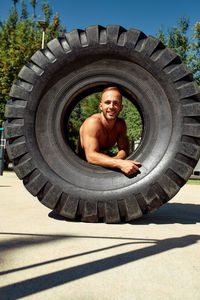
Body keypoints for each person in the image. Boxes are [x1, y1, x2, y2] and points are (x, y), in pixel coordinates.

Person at [78, 87, 140, 175]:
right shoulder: (92, 123)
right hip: (81, 168)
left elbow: (124, 150)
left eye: (116, 103)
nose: (111, 107)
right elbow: (91, 156)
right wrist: (119, 163)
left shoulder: (120, 125)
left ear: (121, 107)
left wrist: (113, 162)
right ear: (101, 106)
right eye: (107, 102)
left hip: (104, 167)